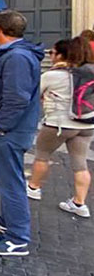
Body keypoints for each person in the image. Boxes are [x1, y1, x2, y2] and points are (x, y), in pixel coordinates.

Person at [0, 10, 44, 257]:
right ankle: (7, 220)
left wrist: (0, 126)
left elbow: (17, 98)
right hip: (10, 129)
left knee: (11, 183)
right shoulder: (10, 55)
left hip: (10, 131)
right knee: (6, 179)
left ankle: (17, 238)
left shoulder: (17, 57)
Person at [26, 37, 92, 218]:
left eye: (52, 52)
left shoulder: (52, 75)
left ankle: (33, 188)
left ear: (62, 55)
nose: (50, 55)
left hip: (59, 124)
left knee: (42, 155)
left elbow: (33, 95)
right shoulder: (89, 74)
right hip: (86, 124)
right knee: (80, 164)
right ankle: (79, 203)